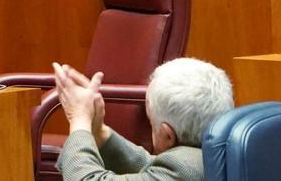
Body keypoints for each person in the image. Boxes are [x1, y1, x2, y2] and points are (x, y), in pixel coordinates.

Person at [53, 58, 233, 181]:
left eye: (151, 121)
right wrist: (98, 131)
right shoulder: (220, 154)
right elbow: (153, 170)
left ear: (168, 135)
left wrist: (78, 118)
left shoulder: (185, 169)